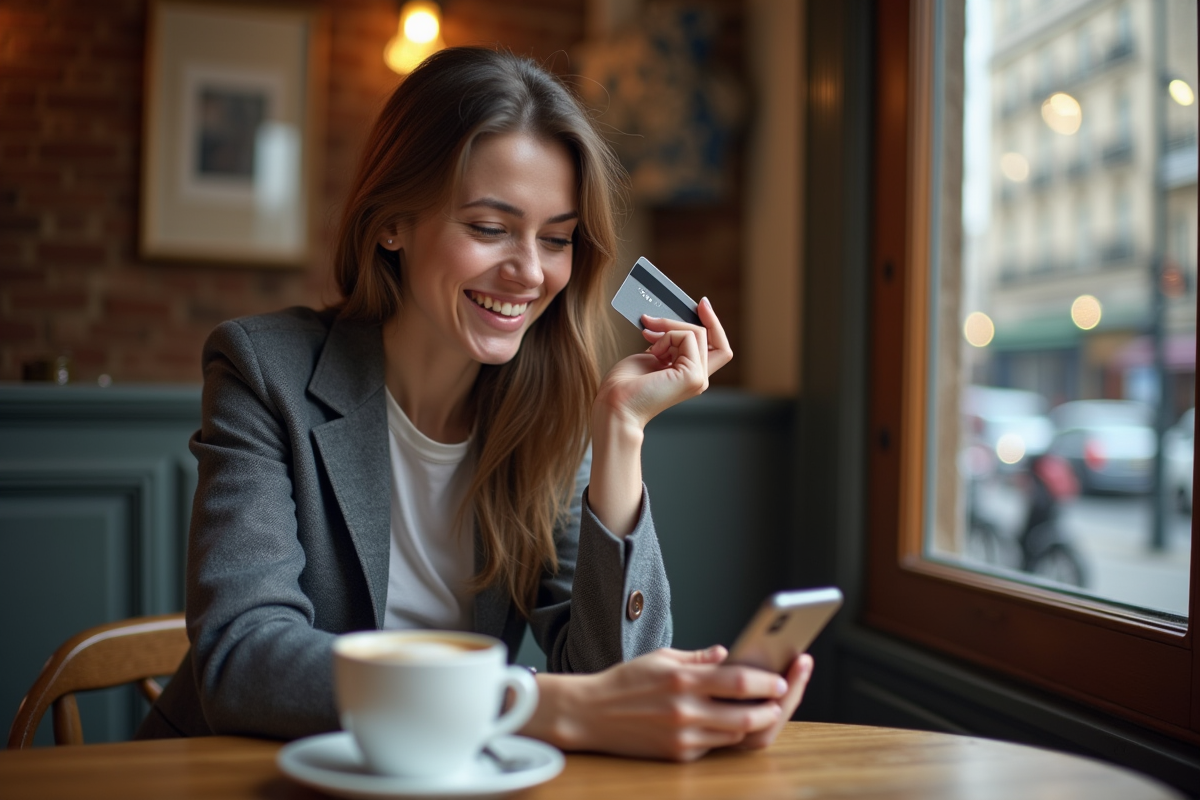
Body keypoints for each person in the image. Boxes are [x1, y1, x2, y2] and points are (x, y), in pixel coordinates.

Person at [138, 46, 813, 761]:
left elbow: (613, 680)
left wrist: (621, 431)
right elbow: (244, 661)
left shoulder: (550, 408)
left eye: (556, 239)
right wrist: (530, 699)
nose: (529, 271)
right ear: (391, 222)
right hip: (247, 775)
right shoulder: (262, 370)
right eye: (490, 228)